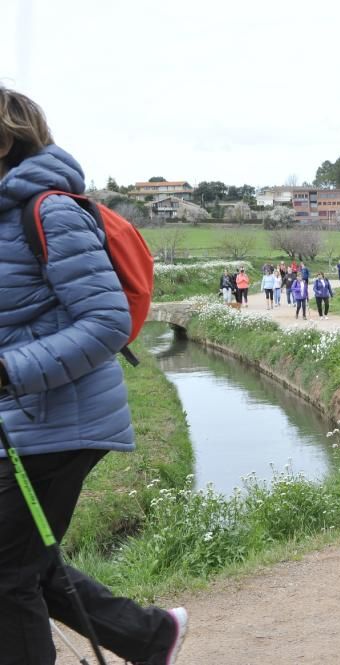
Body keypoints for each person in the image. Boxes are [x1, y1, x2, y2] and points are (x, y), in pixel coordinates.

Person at [0, 85, 187, 665]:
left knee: (7, 574)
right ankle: (150, 636)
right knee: (26, 559)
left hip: (62, 420)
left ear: (5, 138)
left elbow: (106, 321)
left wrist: (8, 370)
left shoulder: (49, 210)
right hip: (25, 417)